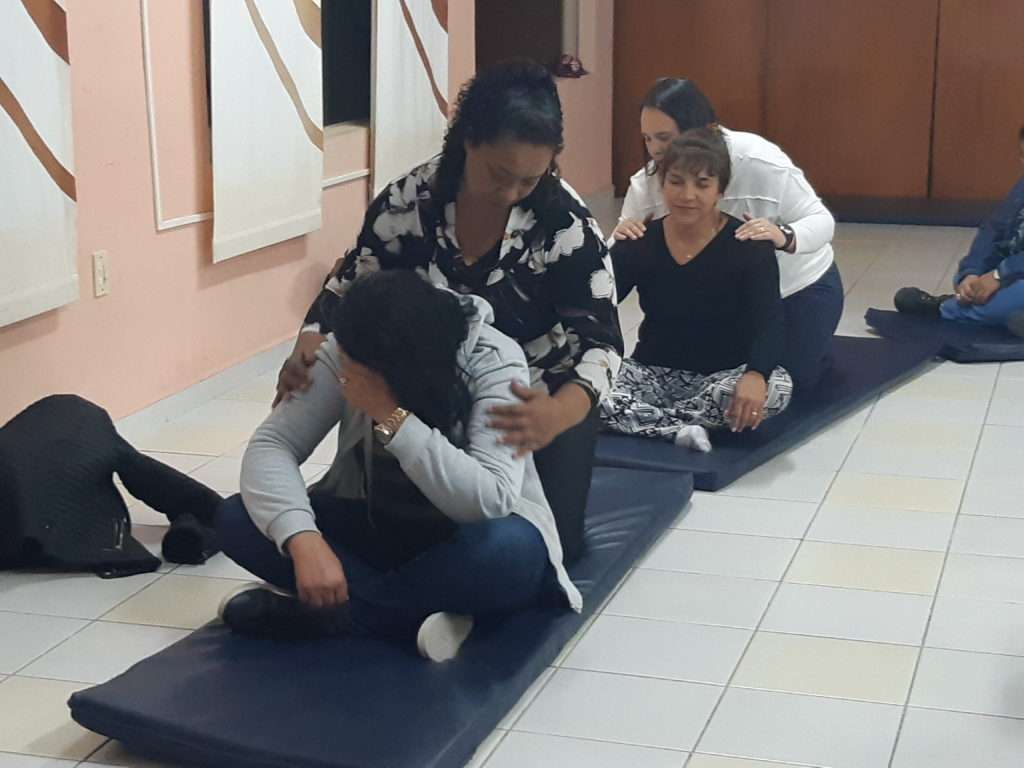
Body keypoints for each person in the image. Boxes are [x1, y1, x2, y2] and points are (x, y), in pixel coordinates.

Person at [273, 60, 623, 563]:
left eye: (529, 180)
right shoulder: (408, 202)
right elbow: (351, 285)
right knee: (390, 527)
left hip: (528, 398)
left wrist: (559, 414)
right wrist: (310, 337)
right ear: (468, 141)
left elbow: (602, 343)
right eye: (499, 175)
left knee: (549, 545)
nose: (511, 194)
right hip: (430, 389)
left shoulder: (564, 224)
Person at [216, 271, 581, 661]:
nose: (347, 375)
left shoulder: (493, 358)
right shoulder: (348, 346)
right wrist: (303, 539)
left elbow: (490, 498)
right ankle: (409, 614)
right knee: (235, 518)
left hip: (464, 537)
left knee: (507, 549)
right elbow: (274, 444)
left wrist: (390, 414)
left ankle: (335, 616)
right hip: (378, 522)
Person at [613, 78, 843, 393]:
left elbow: (821, 220)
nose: (655, 150)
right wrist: (621, 235)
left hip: (796, 289)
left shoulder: (758, 160)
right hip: (721, 302)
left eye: (664, 138)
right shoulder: (650, 180)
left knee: (787, 385)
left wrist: (783, 235)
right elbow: (615, 265)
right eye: (647, 139)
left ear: (705, 130)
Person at [601, 129, 793, 451]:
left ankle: (645, 420)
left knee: (778, 386)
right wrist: (611, 247)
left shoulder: (748, 244)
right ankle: (678, 428)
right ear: (662, 184)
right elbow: (598, 300)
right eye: (676, 182)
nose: (687, 195)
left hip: (721, 377)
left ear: (720, 190)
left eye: (702, 184)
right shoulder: (640, 240)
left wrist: (756, 374)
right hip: (651, 373)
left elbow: (770, 321)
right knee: (576, 381)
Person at [894, 126, 1024, 337]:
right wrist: (972, 273)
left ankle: (945, 308)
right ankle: (995, 311)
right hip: (1010, 274)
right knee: (971, 282)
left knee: (1018, 294)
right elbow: (994, 229)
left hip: (1014, 277)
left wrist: (999, 275)